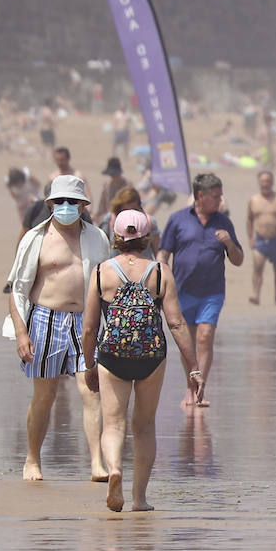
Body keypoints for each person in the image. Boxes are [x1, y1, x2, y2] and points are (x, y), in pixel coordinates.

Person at [82, 210, 202, 511]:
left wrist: (89, 364)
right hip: (151, 357)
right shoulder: (160, 271)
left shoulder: (100, 273)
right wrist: (194, 367)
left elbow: (89, 327)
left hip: (113, 356)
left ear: (116, 236)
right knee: (145, 425)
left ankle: (115, 469)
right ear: (146, 236)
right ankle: (139, 499)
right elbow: (176, 324)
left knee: (112, 423)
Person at [5, 175, 110, 481]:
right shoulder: (36, 239)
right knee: (44, 395)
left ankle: (96, 463)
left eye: (73, 202)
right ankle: (32, 460)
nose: (66, 207)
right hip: (44, 320)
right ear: (51, 204)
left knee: (92, 392)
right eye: (61, 201)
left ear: (82, 205)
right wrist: (21, 333)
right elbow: (19, 289)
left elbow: (105, 285)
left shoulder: (97, 238)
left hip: (85, 321)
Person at [156, 173, 243, 408]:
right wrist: (161, 274)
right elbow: (164, 253)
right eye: (215, 196)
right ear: (200, 196)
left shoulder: (224, 223)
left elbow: (238, 259)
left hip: (212, 292)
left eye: (220, 195)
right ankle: (190, 385)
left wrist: (229, 243)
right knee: (188, 343)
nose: (220, 200)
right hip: (182, 290)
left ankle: (200, 389)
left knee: (206, 336)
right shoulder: (177, 220)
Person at [246, 171, 276, 306]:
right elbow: (249, 220)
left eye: (267, 181)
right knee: (257, 268)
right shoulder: (254, 200)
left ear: (272, 183)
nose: (265, 184)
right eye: (262, 181)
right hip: (260, 240)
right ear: (259, 183)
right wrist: (250, 237)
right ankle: (256, 295)